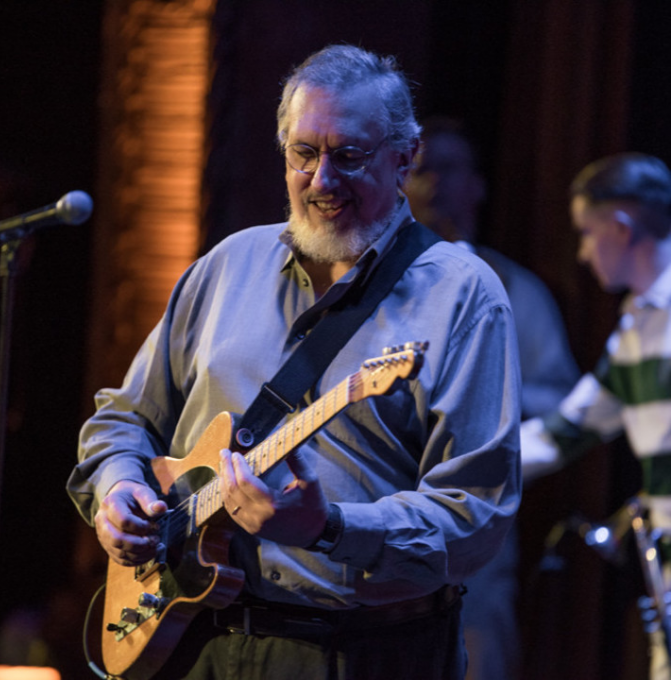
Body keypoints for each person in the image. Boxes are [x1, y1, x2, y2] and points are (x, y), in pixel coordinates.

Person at [67, 45, 522, 680]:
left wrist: (331, 528)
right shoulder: (226, 266)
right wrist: (119, 486)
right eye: (303, 154)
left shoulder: (463, 296)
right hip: (193, 639)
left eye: (349, 156)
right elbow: (123, 416)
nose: (322, 181)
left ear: (405, 157)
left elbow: (475, 516)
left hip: (363, 653)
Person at [405, 116, 580, 680]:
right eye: (421, 169)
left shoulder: (516, 290)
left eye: (448, 168)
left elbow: (563, 403)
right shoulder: (375, 287)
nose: (434, 183)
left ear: (476, 185)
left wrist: (484, 388)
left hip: (474, 540)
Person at [521, 152, 671, 680]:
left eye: (587, 233)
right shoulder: (637, 331)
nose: (583, 253)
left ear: (621, 227)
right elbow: (563, 434)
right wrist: (459, 468)